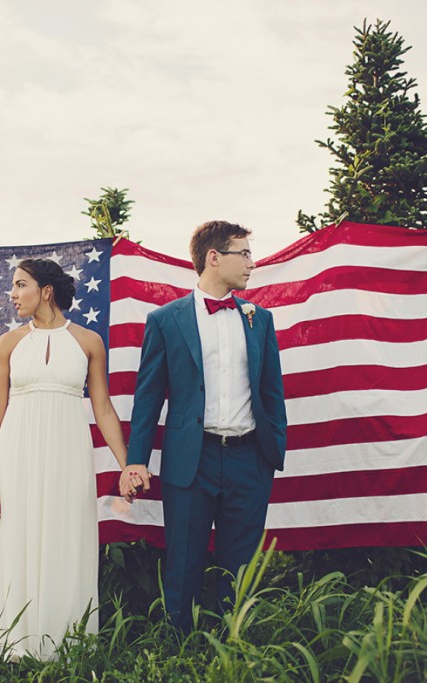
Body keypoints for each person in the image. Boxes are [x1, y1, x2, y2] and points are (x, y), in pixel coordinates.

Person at [119, 220, 287, 633]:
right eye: (243, 253)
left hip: (250, 459)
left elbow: (271, 391)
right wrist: (135, 460)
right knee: (183, 561)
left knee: (241, 564)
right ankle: (179, 650)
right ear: (214, 258)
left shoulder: (258, 319)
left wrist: (272, 451)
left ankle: (235, 647)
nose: (252, 262)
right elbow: (148, 396)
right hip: (191, 460)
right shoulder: (165, 320)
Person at [0, 257, 129, 660]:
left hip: (68, 458)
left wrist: (127, 463)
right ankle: (6, 645)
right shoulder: (8, 343)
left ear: (46, 291)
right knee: (14, 538)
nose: (12, 294)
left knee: (65, 538)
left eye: (20, 285)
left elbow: (104, 409)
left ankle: (64, 646)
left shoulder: (89, 342)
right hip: (16, 457)